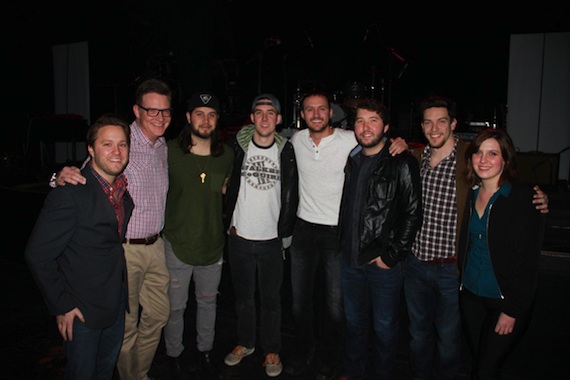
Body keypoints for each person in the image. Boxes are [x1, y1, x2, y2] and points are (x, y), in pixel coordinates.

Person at [404, 95, 550, 380]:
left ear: (453, 124)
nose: (434, 129)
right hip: (416, 265)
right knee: (417, 336)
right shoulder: (415, 158)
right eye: (428, 123)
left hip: (452, 269)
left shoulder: (468, 156)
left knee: (449, 342)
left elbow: (507, 184)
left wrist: (540, 198)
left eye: (442, 121)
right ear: (422, 126)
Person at [52, 78, 173, 380]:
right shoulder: (122, 140)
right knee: (127, 325)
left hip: (156, 246)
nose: (159, 118)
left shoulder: (162, 147)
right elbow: (84, 175)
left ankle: (138, 372)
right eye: (152, 111)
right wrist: (58, 178)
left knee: (158, 315)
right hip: (125, 250)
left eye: (165, 112)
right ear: (137, 110)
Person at [285, 87, 407, 380]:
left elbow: (377, 138)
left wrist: (401, 143)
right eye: (310, 109)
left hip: (336, 233)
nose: (316, 114)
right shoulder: (296, 140)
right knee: (300, 301)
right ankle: (303, 351)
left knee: (335, 306)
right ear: (302, 115)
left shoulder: (348, 138)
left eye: (321, 109)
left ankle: (328, 357)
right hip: (303, 230)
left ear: (331, 113)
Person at [25, 114, 134, 379]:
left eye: (122, 144)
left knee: (105, 371)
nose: (116, 151)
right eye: (107, 144)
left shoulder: (121, 190)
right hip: (81, 309)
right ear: (90, 149)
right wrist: (62, 305)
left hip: (115, 301)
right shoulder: (70, 193)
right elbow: (37, 255)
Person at [338, 98, 422, 380]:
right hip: (350, 260)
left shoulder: (402, 162)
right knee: (353, 325)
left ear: (385, 126)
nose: (365, 127)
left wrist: (391, 256)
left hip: (381, 264)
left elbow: (413, 214)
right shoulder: (352, 158)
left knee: (384, 329)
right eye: (360, 121)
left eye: (373, 120)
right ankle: (353, 373)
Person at [458, 128, 545, 379]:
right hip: (471, 296)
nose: (483, 160)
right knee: (481, 362)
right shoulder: (470, 193)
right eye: (478, 153)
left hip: (505, 300)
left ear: (505, 159)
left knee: (485, 369)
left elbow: (529, 261)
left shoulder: (523, 198)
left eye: (492, 153)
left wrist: (513, 310)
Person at [223, 93, 298, 378]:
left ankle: (271, 349)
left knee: (271, 301)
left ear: (279, 119)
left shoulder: (287, 151)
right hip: (239, 237)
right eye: (259, 112)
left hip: (271, 241)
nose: (264, 117)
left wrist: (285, 234)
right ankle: (246, 343)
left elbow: (294, 192)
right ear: (252, 117)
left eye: (271, 113)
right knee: (243, 298)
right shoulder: (237, 147)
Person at [161, 92, 234, 379]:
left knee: (208, 304)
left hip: (212, 245)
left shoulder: (226, 155)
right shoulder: (168, 152)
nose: (206, 120)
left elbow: (222, 190)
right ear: (188, 117)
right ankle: (174, 355)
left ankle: (205, 351)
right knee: (175, 308)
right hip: (177, 243)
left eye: (212, 114)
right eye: (199, 113)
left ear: (217, 120)